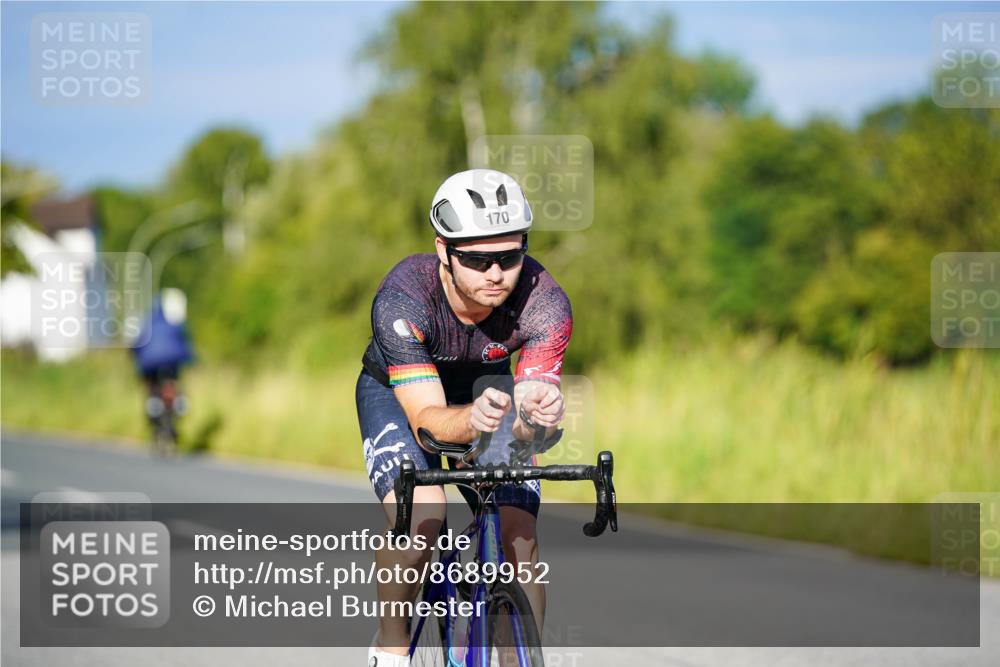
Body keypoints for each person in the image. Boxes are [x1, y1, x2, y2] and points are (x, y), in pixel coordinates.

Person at [358, 169, 572, 666]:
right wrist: (473, 421)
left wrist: (537, 418)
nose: (495, 273)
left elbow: (527, 429)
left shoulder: (546, 304)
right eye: (476, 259)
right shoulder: (402, 298)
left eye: (510, 255)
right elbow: (429, 423)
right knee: (423, 520)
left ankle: (519, 658)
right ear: (443, 250)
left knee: (519, 531)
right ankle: (391, 648)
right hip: (400, 393)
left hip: (488, 389)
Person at [131, 288, 194, 440]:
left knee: (148, 382)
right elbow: (185, 343)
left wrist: (135, 357)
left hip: (150, 363)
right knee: (173, 381)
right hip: (173, 361)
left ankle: (152, 403)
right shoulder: (176, 322)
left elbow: (138, 343)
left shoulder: (149, 320)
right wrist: (192, 359)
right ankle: (177, 404)